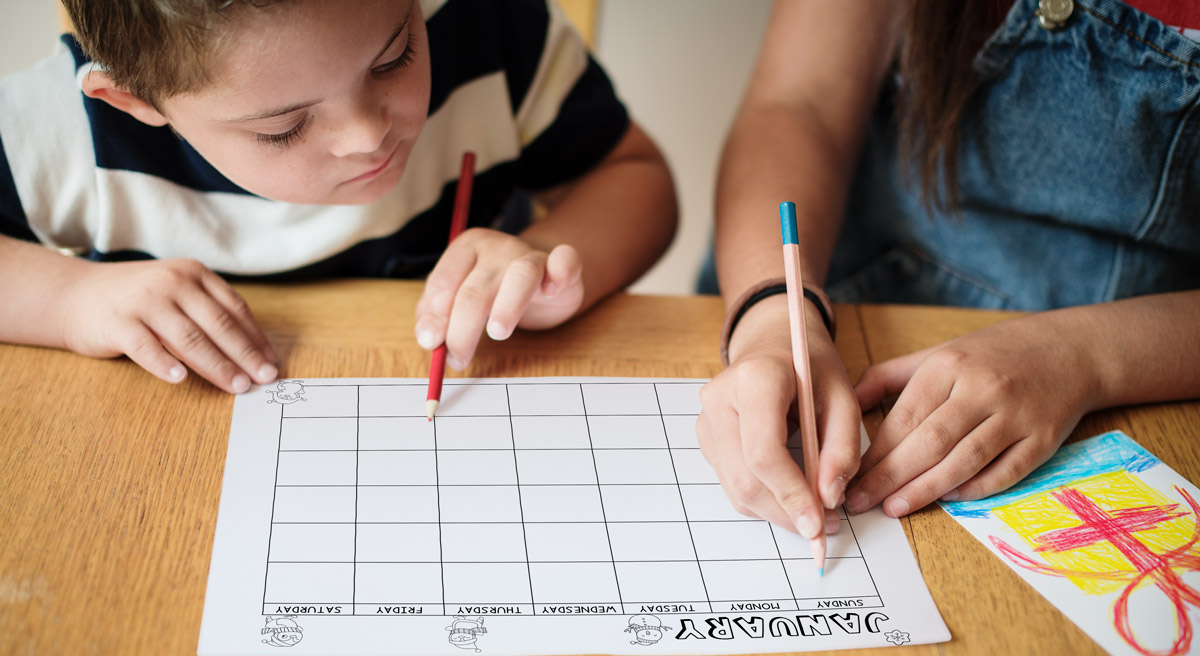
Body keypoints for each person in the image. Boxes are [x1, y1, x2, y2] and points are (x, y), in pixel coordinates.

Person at [697, 0, 1200, 542]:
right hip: (831, 300)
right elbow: (797, 102)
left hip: (1145, 361)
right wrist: (771, 318)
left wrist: (1086, 355)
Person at [0, 0, 676, 394]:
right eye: (283, 126)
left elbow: (635, 173)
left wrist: (542, 258)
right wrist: (70, 300)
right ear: (134, 101)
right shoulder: (63, 131)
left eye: (395, 57)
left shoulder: (491, 30)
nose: (368, 135)